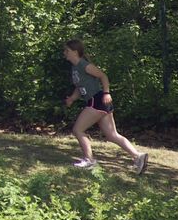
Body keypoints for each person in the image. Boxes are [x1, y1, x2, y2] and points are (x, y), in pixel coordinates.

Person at [62, 38, 149, 174]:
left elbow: (103, 76)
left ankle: (89, 160)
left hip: (97, 100)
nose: (64, 53)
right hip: (98, 102)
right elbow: (80, 87)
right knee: (112, 135)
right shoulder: (75, 68)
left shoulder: (84, 65)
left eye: (67, 50)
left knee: (78, 130)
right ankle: (138, 156)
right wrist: (72, 98)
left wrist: (107, 93)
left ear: (75, 52)